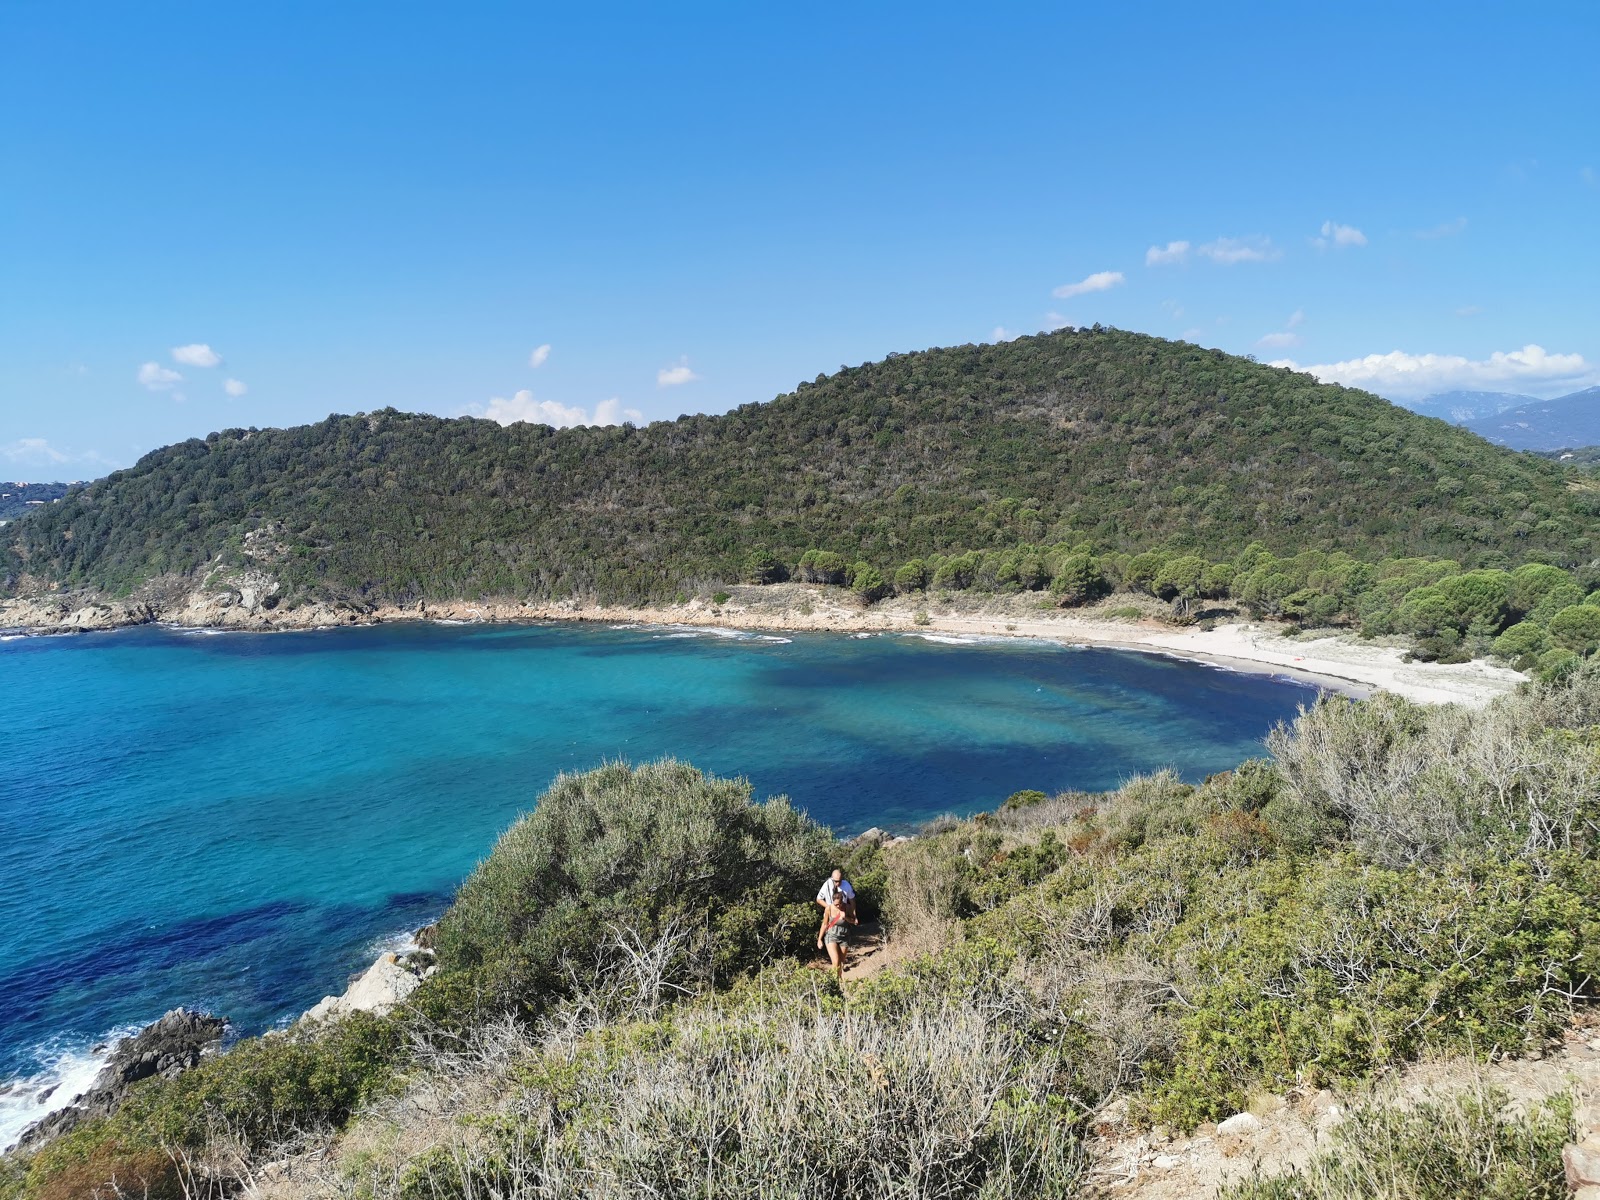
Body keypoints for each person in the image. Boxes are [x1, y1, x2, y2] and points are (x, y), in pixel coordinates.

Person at [816, 886, 856, 979]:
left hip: (844, 936)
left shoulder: (848, 907)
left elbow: (854, 921)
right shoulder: (828, 909)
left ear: (843, 901)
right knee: (836, 961)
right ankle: (833, 982)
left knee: (841, 962)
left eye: (840, 904)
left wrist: (845, 917)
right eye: (836, 904)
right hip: (831, 936)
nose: (838, 906)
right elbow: (825, 924)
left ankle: (839, 978)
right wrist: (819, 939)